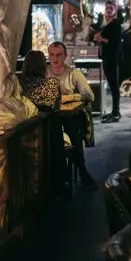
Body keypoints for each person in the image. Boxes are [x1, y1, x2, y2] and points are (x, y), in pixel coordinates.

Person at [47, 41, 97, 190]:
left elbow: (89, 95)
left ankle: (82, 171)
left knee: (73, 130)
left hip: (70, 117)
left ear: (66, 55)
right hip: (51, 117)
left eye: (58, 55)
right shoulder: (44, 72)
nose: (55, 58)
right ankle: (54, 177)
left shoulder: (74, 73)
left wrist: (71, 97)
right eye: (51, 55)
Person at [19, 50, 67, 196]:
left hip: (24, 134)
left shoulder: (18, 84)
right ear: (43, 65)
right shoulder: (53, 83)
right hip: (50, 135)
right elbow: (57, 108)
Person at [94, 1, 122, 123]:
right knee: (112, 85)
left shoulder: (115, 24)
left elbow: (115, 42)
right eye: (107, 8)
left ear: (115, 10)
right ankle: (115, 112)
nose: (109, 10)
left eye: (111, 8)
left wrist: (101, 39)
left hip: (111, 57)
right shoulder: (106, 23)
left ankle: (116, 113)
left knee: (114, 86)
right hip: (106, 57)